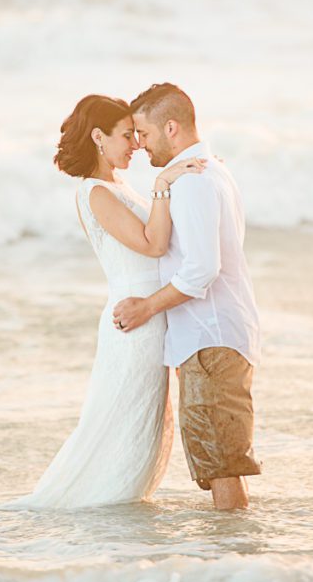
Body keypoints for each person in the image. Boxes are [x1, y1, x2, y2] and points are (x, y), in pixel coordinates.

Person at [12, 94, 204, 510]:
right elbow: (153, 245)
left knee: (143, 418)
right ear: (98, 137)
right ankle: (104, 504)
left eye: (137, 134)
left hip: (149, 314)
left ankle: (122, 507)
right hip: (133, 319)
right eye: (126, 136)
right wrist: (163, 185)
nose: (135, 144)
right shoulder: (95, 193)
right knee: (122, 417)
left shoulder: (119, 185)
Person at [112, 83, 261, 510]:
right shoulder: (209, 170)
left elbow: (202, 269)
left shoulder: (194, 181)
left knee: (220, 464)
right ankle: (231, 557)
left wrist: (146, 307)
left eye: (143, 134)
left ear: (171, 127)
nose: (139, 145)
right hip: (212, 336)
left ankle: (234, 560)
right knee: (217, 460)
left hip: (210, 338)